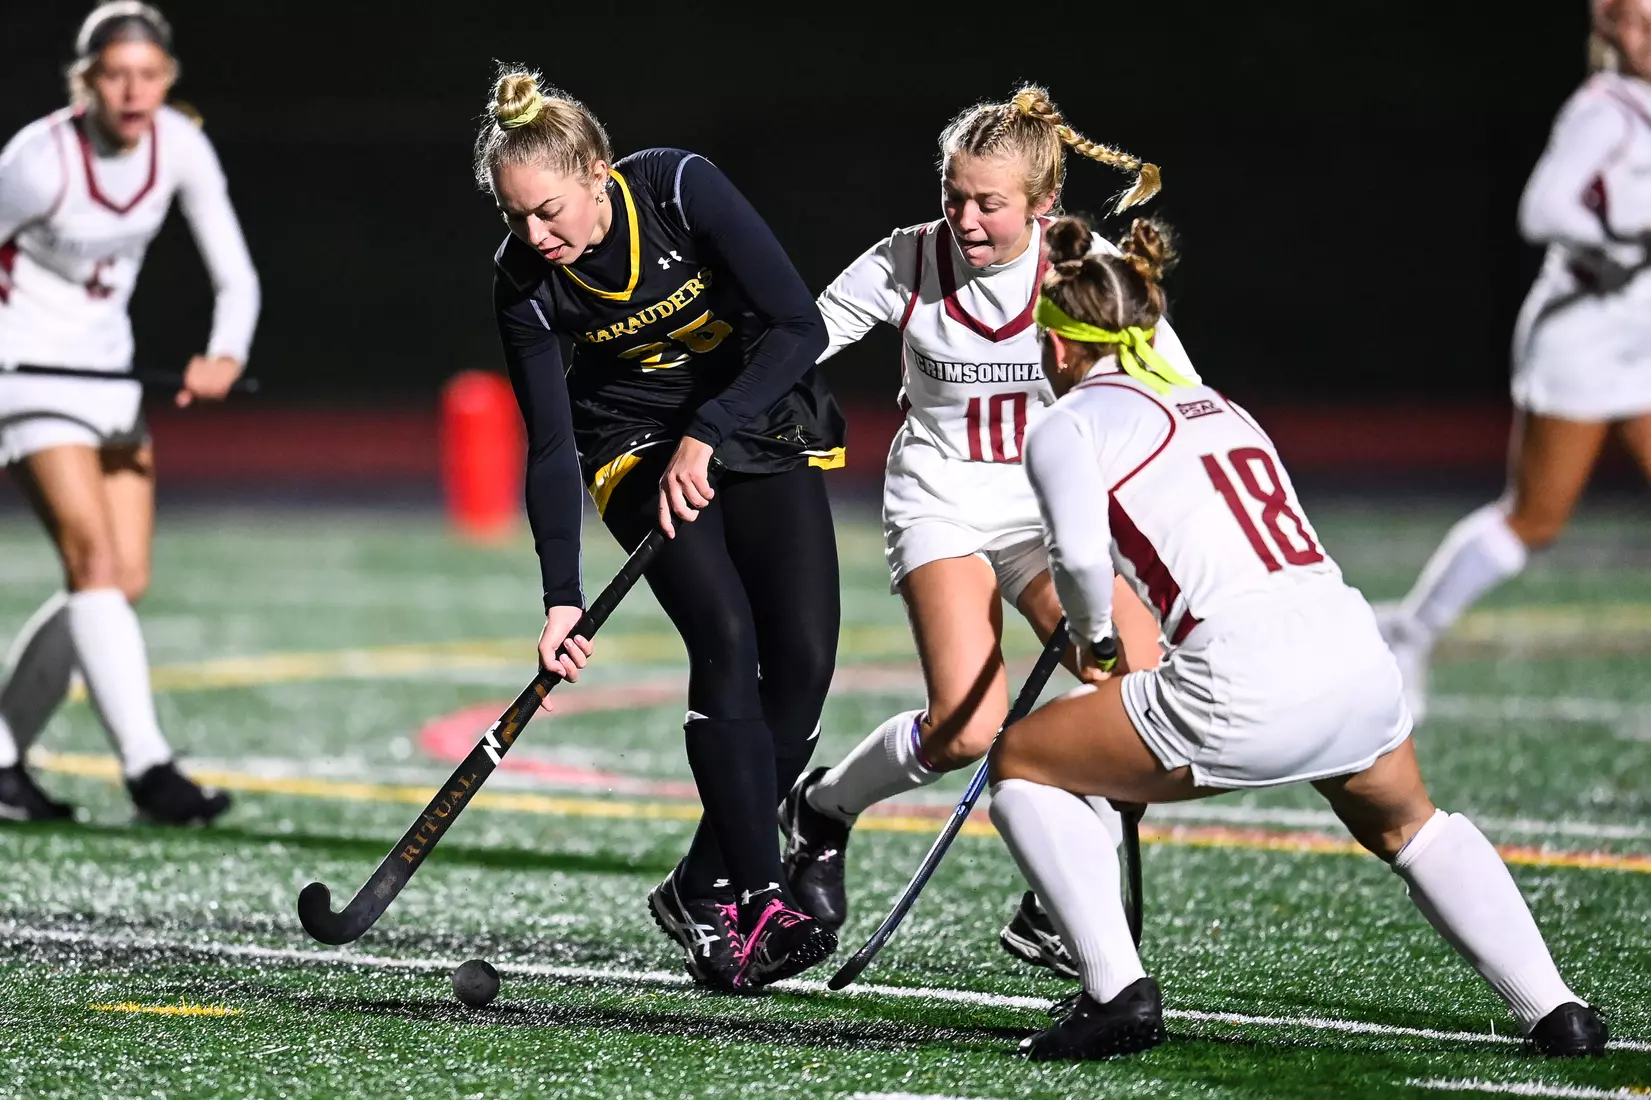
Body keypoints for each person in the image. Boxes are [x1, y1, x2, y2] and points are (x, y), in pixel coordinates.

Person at [983, 213, 1606, 1061]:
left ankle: (1114, 994)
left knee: (1020, 760)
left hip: (1242, 680)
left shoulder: (1070, 422)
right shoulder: (1215, 400)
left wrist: (1094, 640)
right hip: (1352, 654)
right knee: (1410, 825)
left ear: (1057, 348)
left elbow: (1080, 559)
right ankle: (1556, 1009)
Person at [778, 85, 1199, 973]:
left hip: (1053, 507)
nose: (964, 219)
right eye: (952, 195)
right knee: (968, 728)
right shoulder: (909, 259)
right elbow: (800, 335)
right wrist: (731, 403)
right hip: (941, 497)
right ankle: (823, 810)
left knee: (1138, 695)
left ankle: (1053, 905)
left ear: (1044, 206)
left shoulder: (1087, 267)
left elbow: (1176, 391)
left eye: (988, 203)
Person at [478, 66, 844, 992]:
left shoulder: (679, 189)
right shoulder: (523, 281)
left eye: (550, 210)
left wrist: (711, 433)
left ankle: (698, 883)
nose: (537, 236)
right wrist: (561, 598)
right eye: (517, 217)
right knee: (724, 635)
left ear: (598, 171)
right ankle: (756, 899)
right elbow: (552, 446)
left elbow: (797, 325)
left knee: (801, 660)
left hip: (749, 411)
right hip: (632, 443)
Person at [0, 1, 257, 824]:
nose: (132, 91)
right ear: (88, 81)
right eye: (115, 75)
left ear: (167, 80)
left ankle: (0, 754)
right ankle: (149, 769)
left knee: (120, 580)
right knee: (94, 565)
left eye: (148, 75)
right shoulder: (38, 161)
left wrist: (225, 353)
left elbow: (235, 276)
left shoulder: (179, 146)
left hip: (107, 376)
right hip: (27, 376)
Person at [1379, 0, 1651, 718]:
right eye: (1631, 20)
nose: (1644, 33)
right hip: (1581, 335)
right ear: (1607, 29)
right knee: (1533, 520)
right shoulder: (1604, 110)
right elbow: (1541, 209)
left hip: (1639, 334)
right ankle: (1411, 630)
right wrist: (1627, 234)